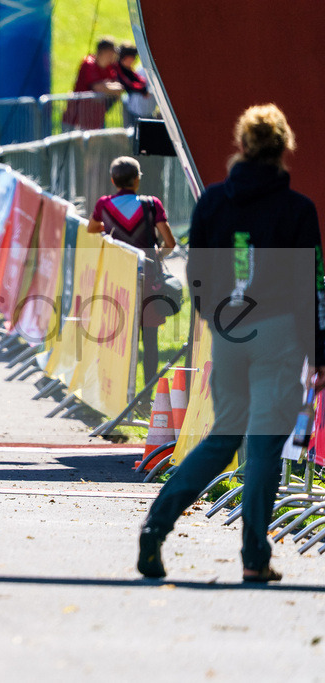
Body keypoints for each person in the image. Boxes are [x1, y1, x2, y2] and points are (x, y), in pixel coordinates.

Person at [137, 104, 323, 584]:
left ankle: (156, 528)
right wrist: (320, 352)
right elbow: (313, 288)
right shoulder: (298, 210)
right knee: (262, 447)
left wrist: (215, 320)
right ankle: (255, 556)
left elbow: (196, 271)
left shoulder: (214, 202)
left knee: (223, 438)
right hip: (279, 333)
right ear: (284, 150)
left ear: (240, 146)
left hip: (229, 331)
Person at [87, 156, 176, 386]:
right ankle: (146, 396)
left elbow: (92, 227)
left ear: (112, 180)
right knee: (150, 338)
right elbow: (170, 242)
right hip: (147, 278)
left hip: (117, 277)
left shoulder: (104, 204)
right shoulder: (151, 204)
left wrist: (110, 228)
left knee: (119, 338)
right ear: (137, 180)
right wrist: (157, 257)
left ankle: (116, 390)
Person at [64, 38, 123, 130]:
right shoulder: (89, 63)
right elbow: (97, 87)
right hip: (76, 120)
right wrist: (107, 87)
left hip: (95, 120)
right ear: (105, 52)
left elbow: (119, 88)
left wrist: (106, 86)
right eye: (112, 52)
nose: (114, 56)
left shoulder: (109, 67)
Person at [115, 43, 156, 127]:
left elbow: (137, 79)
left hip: (137, 108)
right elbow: (128, 84)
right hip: (132, 109)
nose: (133, 60)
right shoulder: (117, 68)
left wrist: (143, 88)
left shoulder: (128, 69)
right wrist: (143, 90)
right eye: (132, 57)